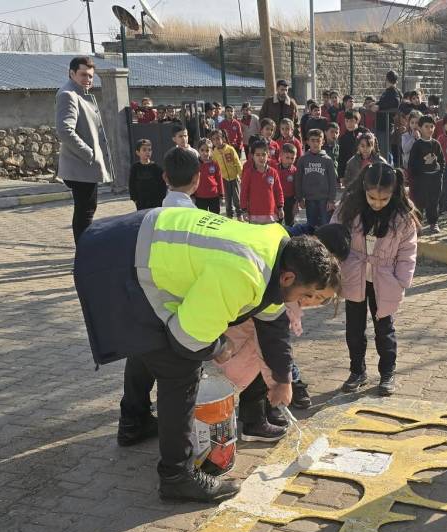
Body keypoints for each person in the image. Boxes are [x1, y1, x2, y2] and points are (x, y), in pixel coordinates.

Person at [73, 147, 341, 502]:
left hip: (134, 245)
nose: (307, 305)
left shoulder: (277, 244)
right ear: (291, 277)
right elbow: (188, 339)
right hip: (120, 265)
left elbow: (272, 321)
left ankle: (135, 423)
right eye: (310, 296)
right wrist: (220, 347)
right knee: (178, 368)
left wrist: (281, 377)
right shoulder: (245, 274)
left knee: (151, 346)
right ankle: (177, 475)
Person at [329, 162, 418, 397]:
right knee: (354, 329)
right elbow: (334, 235)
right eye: (372, 198)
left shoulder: (403, 217)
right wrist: (336, 267)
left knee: (384, 330)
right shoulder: (349, 207)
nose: (377, 204)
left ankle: (387, 373)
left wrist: (401, 281)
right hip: (354, 276)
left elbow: (408, 252)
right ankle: (357, 371)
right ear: (363, 189)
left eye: (383, 199)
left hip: (385, 281)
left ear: (394, 192)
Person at [56, 56, 112, 243]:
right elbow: (65, 131)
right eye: (83, 75)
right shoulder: (68, 94)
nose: (88, 79)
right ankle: (84, 254)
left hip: (84, 166)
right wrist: (89, 153)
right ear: (72, 73)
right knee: (85, 213)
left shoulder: (79, 93)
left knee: (86, 210)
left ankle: (85, 252)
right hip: (81, 166)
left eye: (90, 76)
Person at [295, 128, 338, 233]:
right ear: (307, 142)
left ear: (323, 142)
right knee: (311, 226)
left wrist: (332, 200)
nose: (315, 143)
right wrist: (300, 198)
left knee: (325, 226)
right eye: (312, 140)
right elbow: (298, 179)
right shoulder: (303, 160)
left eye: (318, 140)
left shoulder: (327, 160)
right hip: (309, 199)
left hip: (324, 200)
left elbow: (333, 181)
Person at [408, 115, 443, 234]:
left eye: (432, 126)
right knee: (419, 203)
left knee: (433, 202)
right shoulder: (417, 145)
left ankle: (433, 223)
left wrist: (439, 172)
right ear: (420, 128)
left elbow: (441, 160)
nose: (430, 129)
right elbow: (412, 163)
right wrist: (417, 175)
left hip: (434, 178)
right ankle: (418, 225)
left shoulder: (436, 144)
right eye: (426, 126)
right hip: (421, 179)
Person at [240, 138, 283, 224]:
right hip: (254, 215)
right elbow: (244, 192)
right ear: (252, 156)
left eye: (264, 154)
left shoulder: (273, 172)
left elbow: (279, 191)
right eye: (258, 155)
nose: (261, 157)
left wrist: (280, 207)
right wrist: (244, 210)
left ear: (268, 155)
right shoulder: (248, 173)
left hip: (271, 214)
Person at [210, 129, 243, 218]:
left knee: (237, 199)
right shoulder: (214, 153)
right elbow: (215, 167)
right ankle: (229, 216)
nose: (216, 141)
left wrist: (241, 175)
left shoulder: (230, 149)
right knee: (227, 200)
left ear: (223, 138)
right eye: (213, 139)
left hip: (234, 178)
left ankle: (240, 215)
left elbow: (237, 162)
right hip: (223, 179)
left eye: (218, 138)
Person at [129, 139, 166, 210]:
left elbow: (162, 185)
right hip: (141, 202)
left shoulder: (157, 168)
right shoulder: (135, 168)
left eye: (149, 150)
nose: (147, 152)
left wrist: (161, 199)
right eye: (144, 150)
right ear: (138, 152)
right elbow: (132, 184)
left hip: (156, 202)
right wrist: (135, 199)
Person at [376, 71, 402, 163]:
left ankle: (388, 170)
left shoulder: (394, 91)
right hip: (381, 125)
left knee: (385, 151)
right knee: (382, 150)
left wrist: (379, 106)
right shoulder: (387, 91)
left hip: (386, 126)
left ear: (386, 79)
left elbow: (395, 103)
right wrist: (375, 104)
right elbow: (383, 102)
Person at [337, 110, 369, 181]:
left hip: (365, 168)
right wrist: (341, 175)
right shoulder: (343, 138)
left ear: (357, 121)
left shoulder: (365, 133)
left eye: (351, 121)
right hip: (351, 171)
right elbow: (342, 157)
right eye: (346, 121)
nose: (348, 124)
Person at [193, 138, 223, 213]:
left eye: (207, 150)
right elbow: (192, 180)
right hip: (200, 197)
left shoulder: (215, 164)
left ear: (211, 151)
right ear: (198, 150)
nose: (205, 153)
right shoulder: (195, 165)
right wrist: (192, 195)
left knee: (215, 217)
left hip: (214, 196)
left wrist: (221, 195)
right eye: (202, 150)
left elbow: (219, 179)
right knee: (201, 218)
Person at [276, 143, 299, 231]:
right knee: (278, 222)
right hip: (277, 200)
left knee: (290, 223)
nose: (290, 160)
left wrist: (296, 203)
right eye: (287, 157)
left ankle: (289, 239)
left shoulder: (295, 171)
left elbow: (297, 188)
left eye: (292, 158)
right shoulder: (274, 169)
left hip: (290, 200)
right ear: (281, 155)